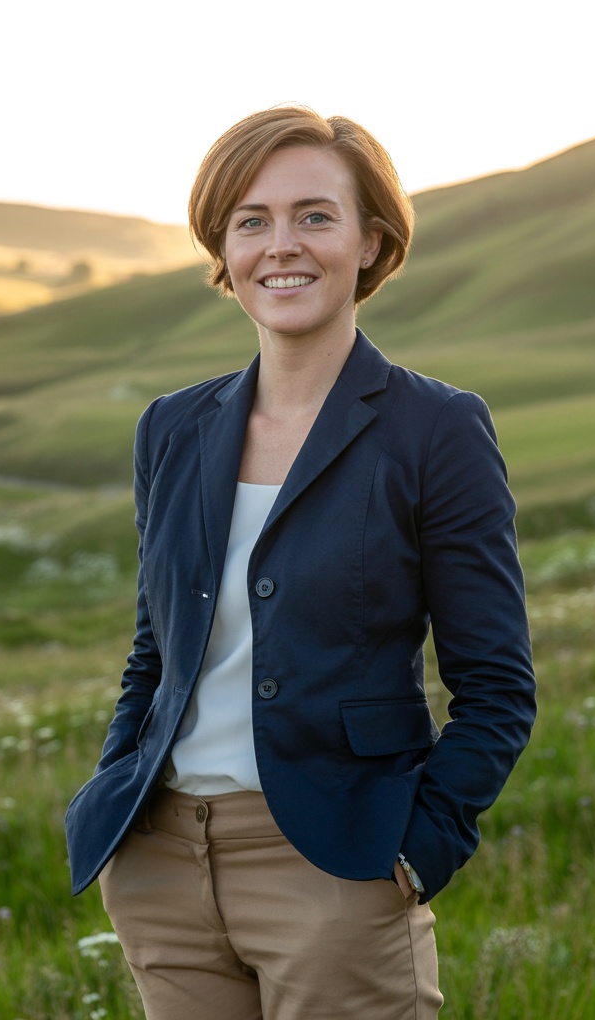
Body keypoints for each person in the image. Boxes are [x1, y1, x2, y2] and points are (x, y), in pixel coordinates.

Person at [65, 106, 536, 1020]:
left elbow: (496, 686)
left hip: (335, 867)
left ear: (370, 241)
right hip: (161, 865)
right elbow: (155, 651)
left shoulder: (435, 429)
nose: (282, 245)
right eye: (252, 221)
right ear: (224, 251)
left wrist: (416, 852)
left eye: (315, 216)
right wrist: (118, 785)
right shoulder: (171, 428)